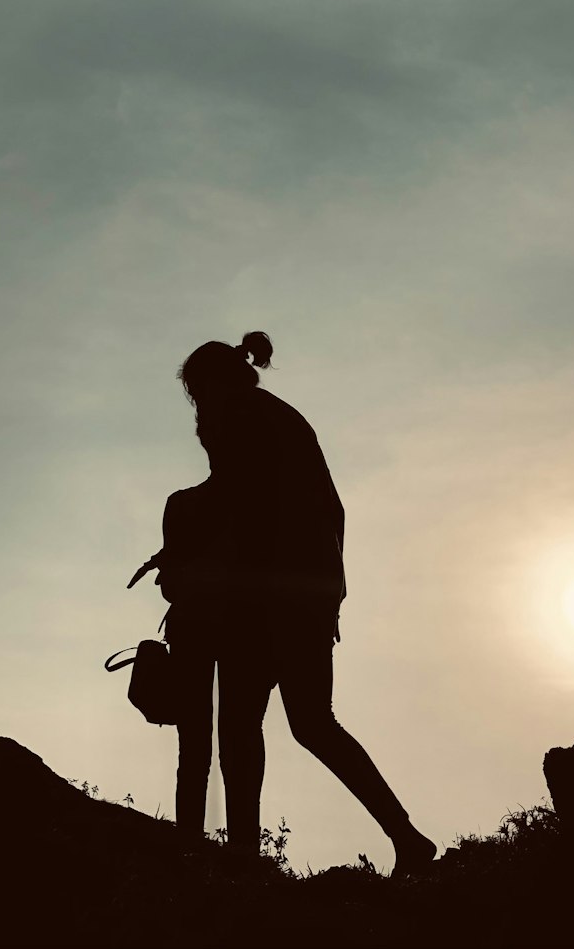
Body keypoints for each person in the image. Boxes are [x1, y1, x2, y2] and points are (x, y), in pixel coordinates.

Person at [168, 329, 437, 877]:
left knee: (247, 727)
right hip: (306, 593)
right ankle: (405, 836)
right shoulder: (277, 418)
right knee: (306, 724)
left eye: (197, 393)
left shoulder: (242, 420)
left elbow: (241, 502)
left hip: (271, 599)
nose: (197, 409)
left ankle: (245, 854)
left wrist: (187, 545)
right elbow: (274, 503)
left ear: (216, 384)